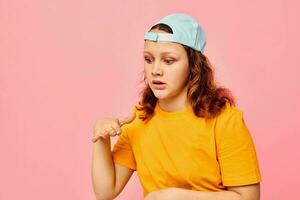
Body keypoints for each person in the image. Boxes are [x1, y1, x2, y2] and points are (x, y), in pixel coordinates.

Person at [91, 13, 262, 200]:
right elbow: (105, 192)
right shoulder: (139, 120)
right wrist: (101, 138)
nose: (155, 70)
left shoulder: (226, 120)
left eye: (168, 60)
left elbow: (248, 197)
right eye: (149, 59)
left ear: (193, 65)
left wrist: (175, 197)